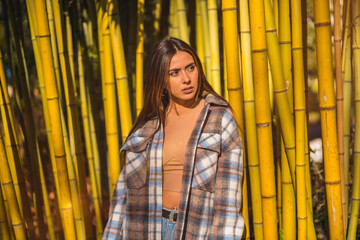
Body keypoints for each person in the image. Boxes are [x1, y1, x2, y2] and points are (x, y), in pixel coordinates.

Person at [103, 37, 244, 239]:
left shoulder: (219, 119)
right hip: (146, 229)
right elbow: (123, 197)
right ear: (162, 80)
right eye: (174, 73)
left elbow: (227, 201)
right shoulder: (147, 127)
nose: (186, 79)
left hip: (196, 231)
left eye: (190, 68)